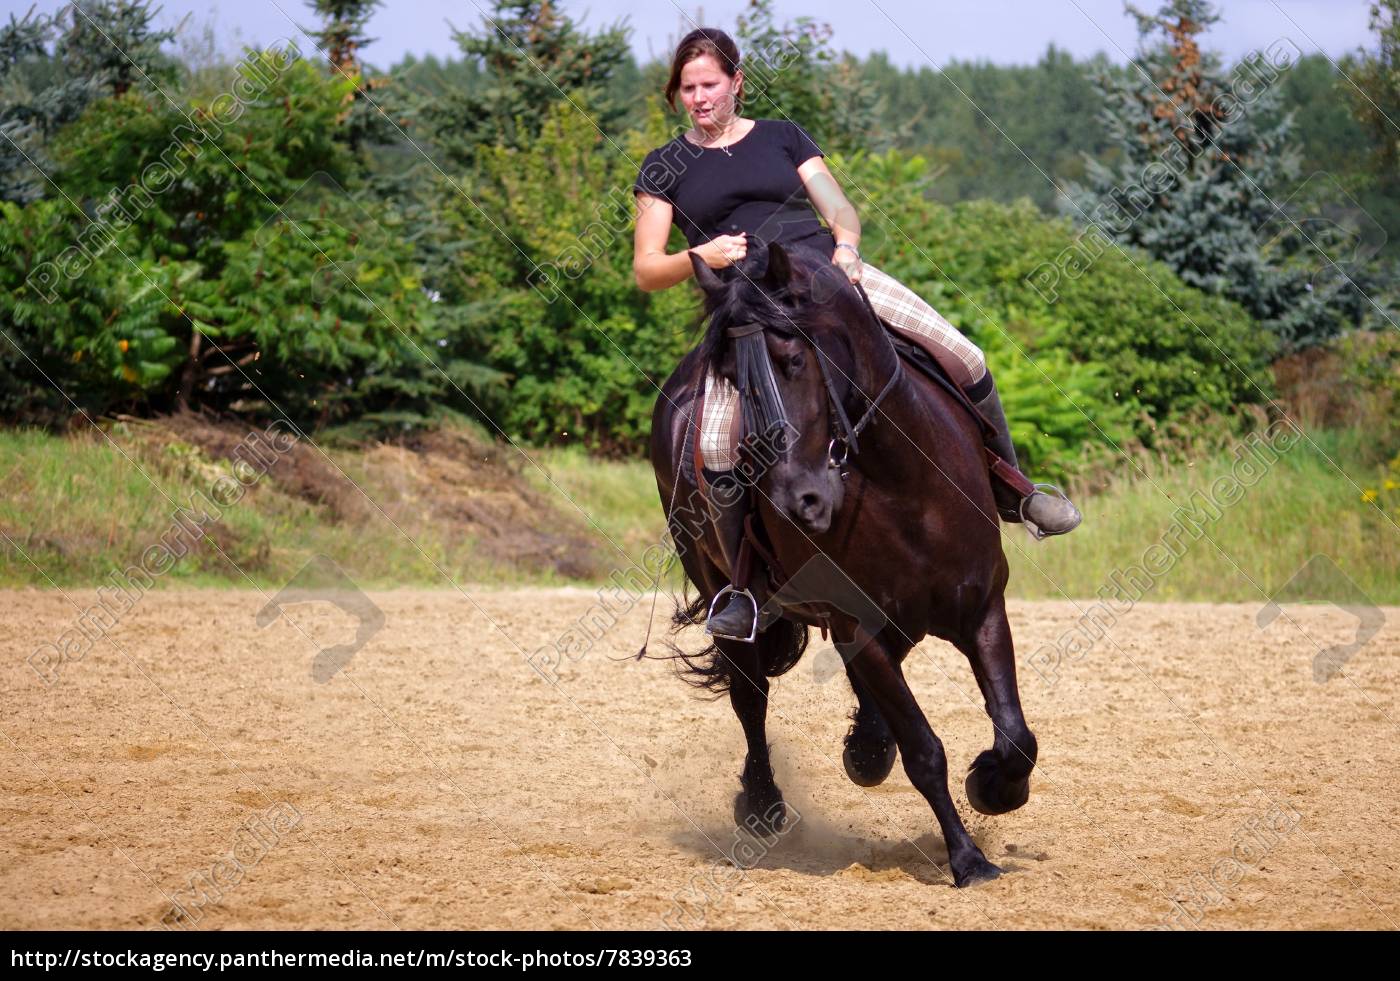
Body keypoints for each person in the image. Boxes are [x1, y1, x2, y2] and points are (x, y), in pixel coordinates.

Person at [632, 28, 1081, 641]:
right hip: (747, 311)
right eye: (687, 88)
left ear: (737, 82)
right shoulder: (664, 166)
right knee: (713, 445)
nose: (699, 98)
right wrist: (702, 253)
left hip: (829, 283)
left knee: (965, 354)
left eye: (709, 84)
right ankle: (742, 587)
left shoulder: (783, 136)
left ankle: (1013, 488)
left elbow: (839, 209)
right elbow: (647, 268)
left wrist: (845, 246)